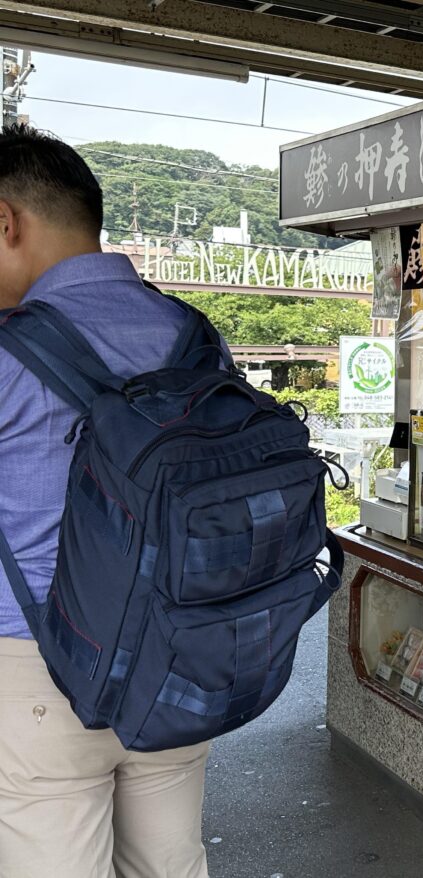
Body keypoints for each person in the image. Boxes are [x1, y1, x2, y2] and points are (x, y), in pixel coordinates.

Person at [0, 125, 211, 877]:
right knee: (168, 863)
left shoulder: (5, 350)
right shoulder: (193, 335)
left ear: (5, 222)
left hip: (38, 667)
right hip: (183, 655)